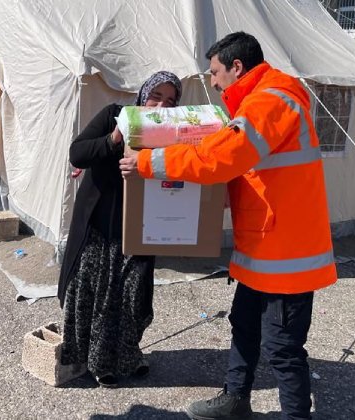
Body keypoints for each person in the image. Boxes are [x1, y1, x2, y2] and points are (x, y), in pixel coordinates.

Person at [120, 32, 337, 419]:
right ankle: (236, 399)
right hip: (263, 247)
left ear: (237, 67)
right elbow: (251, 167)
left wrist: (149, 162)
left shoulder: (270, 101)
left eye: (216, 73)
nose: (214, 82)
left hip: (286, 255)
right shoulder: (259, 101)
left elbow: (222, 157)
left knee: (283, 348)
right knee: (244, 325)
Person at [58, 71, 182, 388]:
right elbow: (78, 153)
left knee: (132, 298)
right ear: (144, 94)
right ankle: (98, 362)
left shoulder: (176, 133)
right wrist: (115, 138)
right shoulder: (115, 115)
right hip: (99, 225)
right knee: (96, 296)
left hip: (142, 226)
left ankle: (127, 355)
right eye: (157, 96)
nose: (161, 105)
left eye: (170, 101)